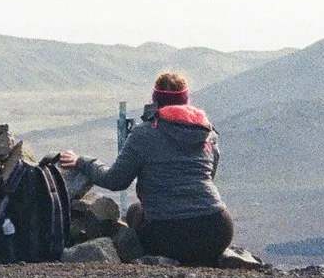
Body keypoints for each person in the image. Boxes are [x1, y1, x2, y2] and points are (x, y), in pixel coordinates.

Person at [58, 70, 236, 265]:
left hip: (167, 233)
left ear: (154, 99)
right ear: (186, 100)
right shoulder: (207, 133)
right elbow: (210, 176)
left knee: (135, 212)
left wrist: (83, 162)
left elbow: (116, 180)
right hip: (218, 231)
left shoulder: (144, 133)